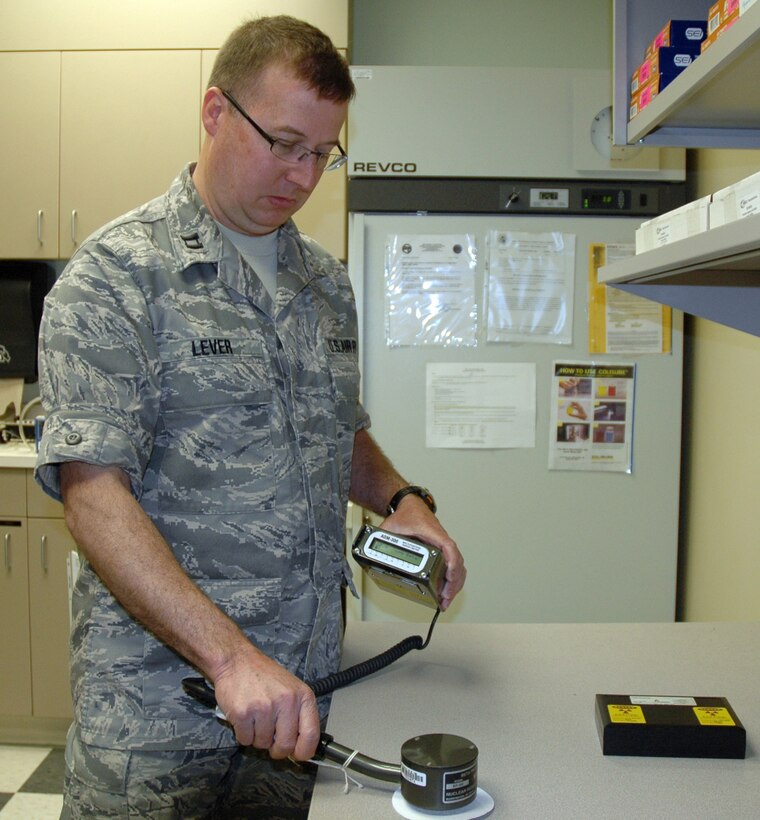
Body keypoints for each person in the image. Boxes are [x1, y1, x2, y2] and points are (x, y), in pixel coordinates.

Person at [35, 14, 465, 819]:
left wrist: (403, 501)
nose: (302, 176)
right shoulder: (114, 278)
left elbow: (336, 428)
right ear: (214, 113)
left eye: (322, 154)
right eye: (283, 143)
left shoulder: (324, 282)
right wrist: (233, 661)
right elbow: (94, 496)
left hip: (302, 707)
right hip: (159, 720)